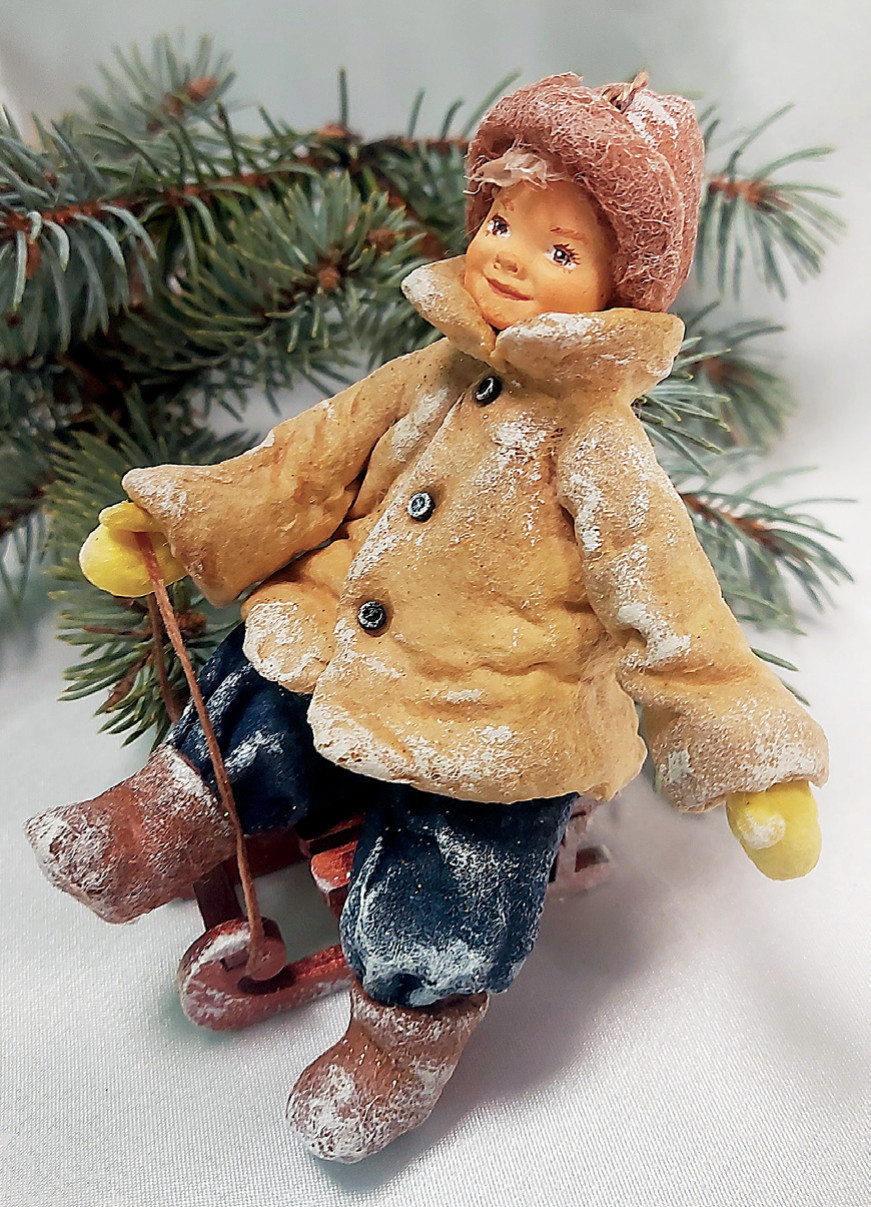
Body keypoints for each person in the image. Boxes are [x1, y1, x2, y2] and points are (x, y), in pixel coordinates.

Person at [25, 73, 827, 1163]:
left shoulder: (598, 445)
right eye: (500, 223)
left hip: (497, 709)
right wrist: (180, 521)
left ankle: (405, 1033)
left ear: (617, 288)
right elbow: (303, 463)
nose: (508, 258)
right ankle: (162, 815)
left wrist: (748, 758)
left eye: (557, 250)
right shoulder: (430, 372)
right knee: (260, 693)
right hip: (349, 638)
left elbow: (668, 602)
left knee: (457, 862)